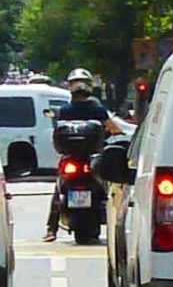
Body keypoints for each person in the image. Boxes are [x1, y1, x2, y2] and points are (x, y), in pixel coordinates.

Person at [45, 68, 124, 241]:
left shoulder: (66, 110)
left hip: (74, 158)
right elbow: (113, 128)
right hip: (91, 157)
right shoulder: (96, 107)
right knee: (111, 185)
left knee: (59, 187)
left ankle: (51, 229)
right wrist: (116, 133)